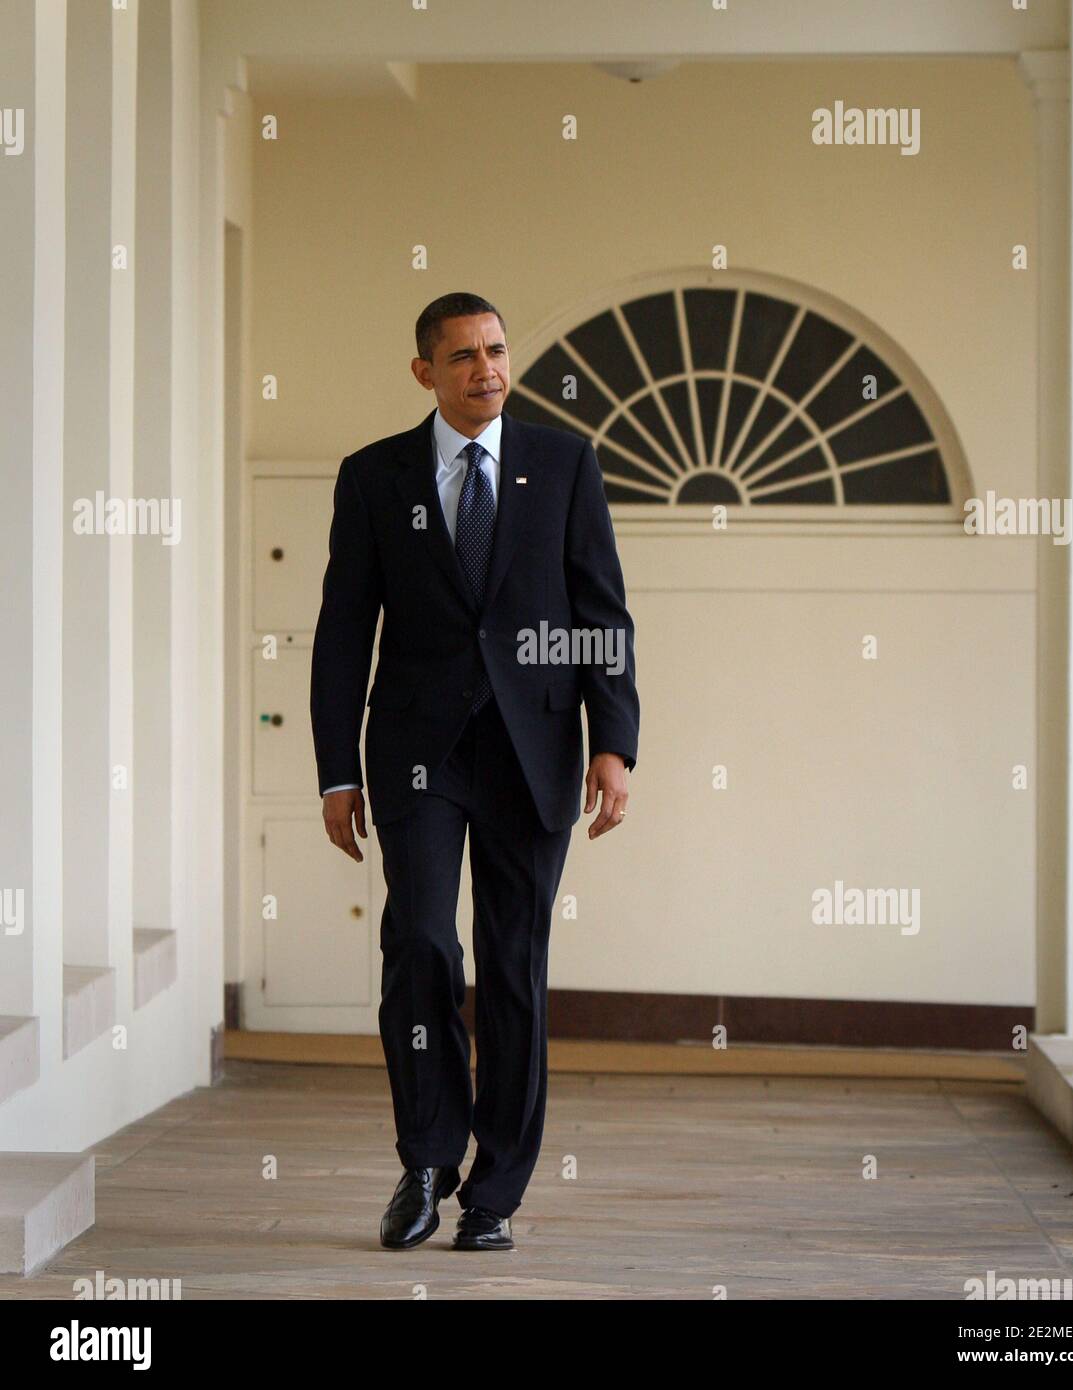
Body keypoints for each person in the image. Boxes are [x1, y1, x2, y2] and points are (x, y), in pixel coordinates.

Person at [310, 292, 639, 1251]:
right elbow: (343, 634)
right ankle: (425, 1159)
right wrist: (337, 771)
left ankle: (493, 1192)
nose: (486, 370)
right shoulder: (373, 477)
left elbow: (601, 614)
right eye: (463, 357)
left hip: (534, 751)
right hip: (418, 754)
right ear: (425, 372)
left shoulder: (564, 464)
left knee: (514, 968)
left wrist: (614, 742)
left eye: (496, 351)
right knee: (419, 943)